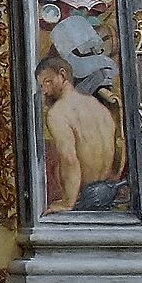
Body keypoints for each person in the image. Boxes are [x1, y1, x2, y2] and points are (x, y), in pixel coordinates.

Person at [38, 54, 124, 212]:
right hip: (106, 194)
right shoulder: (98, 106)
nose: (45, 91)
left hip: (82, 198)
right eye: (42, 86)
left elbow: (69, 159)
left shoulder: (58, 113)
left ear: (63, 75)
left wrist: (67, 203)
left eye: (48, 82)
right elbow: (118, 149)